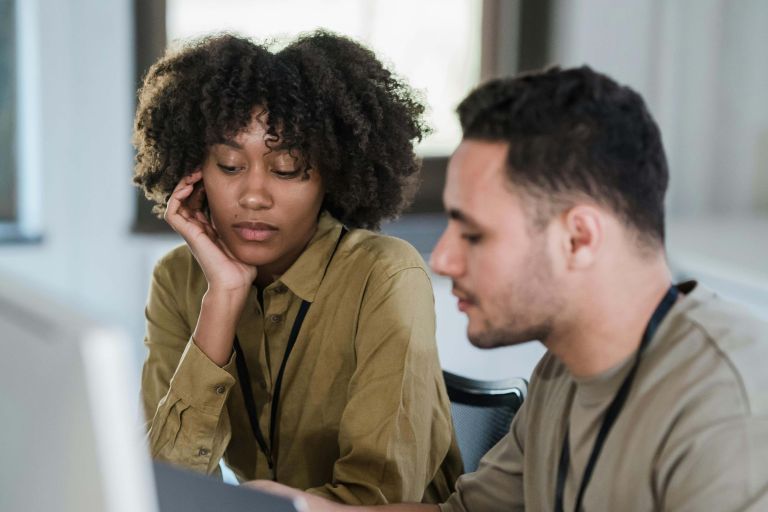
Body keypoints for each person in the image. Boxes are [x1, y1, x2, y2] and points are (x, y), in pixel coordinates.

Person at [246, 66, 768, 511]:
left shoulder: (728, 412)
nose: (444, 259)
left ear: (578, 238)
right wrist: (300, 508)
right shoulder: (564, 370)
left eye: (474, 233)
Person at [133, 31, 462, 505]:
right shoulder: (177, 280)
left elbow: (378, 499)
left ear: (333, 172)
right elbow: (165, 488)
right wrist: (222, 297)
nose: (253, 196)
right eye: (229, 165)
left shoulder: (385, 277)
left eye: (287, 168)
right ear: (195, 171)